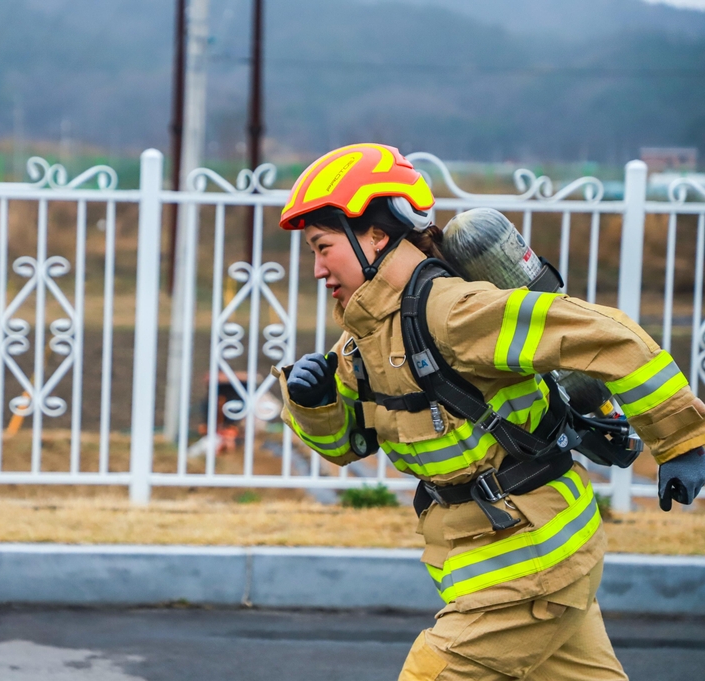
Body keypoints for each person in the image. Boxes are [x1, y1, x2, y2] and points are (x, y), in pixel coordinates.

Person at [274, 143, 705, 681]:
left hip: (529, 566)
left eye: (323, 246)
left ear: (377, 237)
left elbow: (609, 335)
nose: (316, 269)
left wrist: (683, 441)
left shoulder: (453, 312)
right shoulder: (363, 340)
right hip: (503, 564)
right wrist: (314, 405)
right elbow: (347, 448)